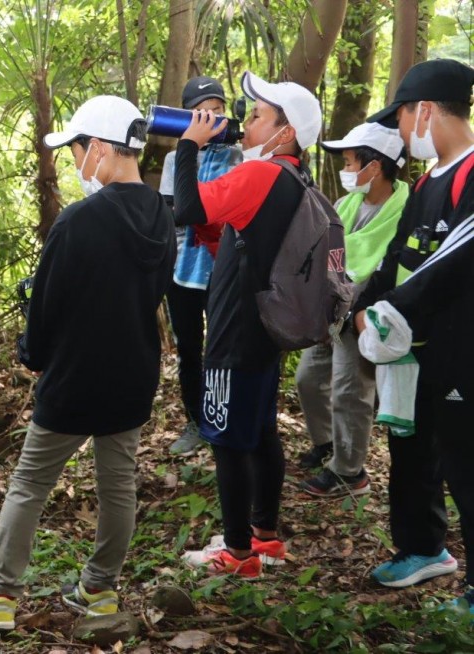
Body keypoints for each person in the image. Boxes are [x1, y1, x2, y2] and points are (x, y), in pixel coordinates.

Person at [0, 96, 174, 633]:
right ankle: (100, 589)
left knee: (29, 484)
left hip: (72, 377)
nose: (75, 162)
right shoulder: (163, 214)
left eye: (78, 150)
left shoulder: (77, 220)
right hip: (133, 376)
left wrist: (33, 356)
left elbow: (45, 307)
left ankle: (1, 596)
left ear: (104, 149)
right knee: (118, 486)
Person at [173, 72, 321, 577]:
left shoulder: (261, 174)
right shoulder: (295, 178)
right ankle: (266, 536)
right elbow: (232, 237)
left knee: (227, 439)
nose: (245, 121)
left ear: (285, 132)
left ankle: (237, 553)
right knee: (258, 432)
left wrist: (188, 145)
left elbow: (187, 207)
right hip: (265, 325)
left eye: (257, 115)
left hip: (236, 327)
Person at [351, 58, 474, 613]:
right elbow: (399, 254)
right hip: (415, 352)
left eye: (401, 118)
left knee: (464, 460)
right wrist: (363, 304)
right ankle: (424, 547)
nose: (402, 133)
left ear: (424, 111)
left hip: (461, 349)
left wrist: (387, 312)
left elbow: (449, 261)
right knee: (411, 447)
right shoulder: (428, 183)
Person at [295, 122, 408, 495]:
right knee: (308, 379)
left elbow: (394, 268)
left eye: (348, 162)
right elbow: (330, 249)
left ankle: (349, 470)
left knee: (350, 391)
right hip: (330, 308)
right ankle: (327, 443)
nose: (345, 170)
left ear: (373, 167)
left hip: (363, 314)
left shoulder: (406, 209)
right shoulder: (347, 203)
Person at [158, 77, 243, 455]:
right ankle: (196, 421)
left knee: (224, 349)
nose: (212, 118)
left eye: (218, 110)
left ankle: (224, 419)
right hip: (183, 272)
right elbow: (171, 213)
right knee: (189, 350)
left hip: (223, 271)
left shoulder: (236, 156)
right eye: (203, 111)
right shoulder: (175, 158)